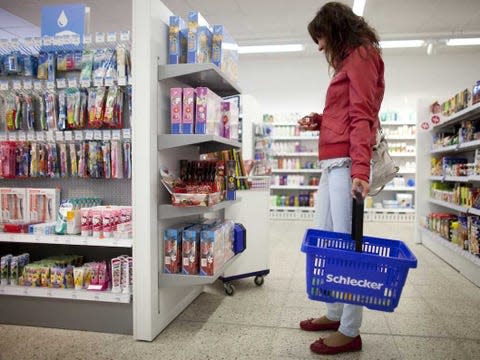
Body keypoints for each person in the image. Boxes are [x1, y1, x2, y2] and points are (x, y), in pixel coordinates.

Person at [297, 2, 385, 355]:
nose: (320, 47)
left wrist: (361, 171)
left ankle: (350, 330)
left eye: (320, 38)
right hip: (332, 163)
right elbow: (346, 111)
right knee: (329, 243)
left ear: (333, 29)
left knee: (348, 248)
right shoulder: (350, 60)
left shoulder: (362, 55)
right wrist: (321, 119)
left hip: (347, 164)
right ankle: (334, 313)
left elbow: (363, 114)